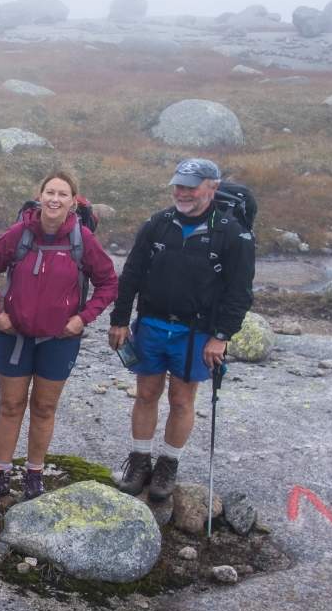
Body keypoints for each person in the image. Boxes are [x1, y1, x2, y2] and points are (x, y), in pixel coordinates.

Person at [107, 158, 256, 501]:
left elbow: (239, 293)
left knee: (181, 398)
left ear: (212, 187)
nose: (182, 193)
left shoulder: (233, 234)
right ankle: (140, 461)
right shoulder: (158, 223)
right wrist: (119, 319)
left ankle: (168, 465)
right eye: (178, 185)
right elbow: (131, 274)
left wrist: (221, 337)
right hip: (151, 325)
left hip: (197, 334)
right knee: (146, 393)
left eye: (190, 186)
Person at [0, 171, 119, 503]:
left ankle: (34, 475)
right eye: (50, 192)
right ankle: (0, 475)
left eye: (63, 194)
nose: (55, 199)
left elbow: (109, 283)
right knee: (10, 405)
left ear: (74, 201)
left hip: (60, 340)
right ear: (40, 196)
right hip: (15, 337)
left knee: (45, 407)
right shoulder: (19, 234)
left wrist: (82, 318)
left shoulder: (83, 240)